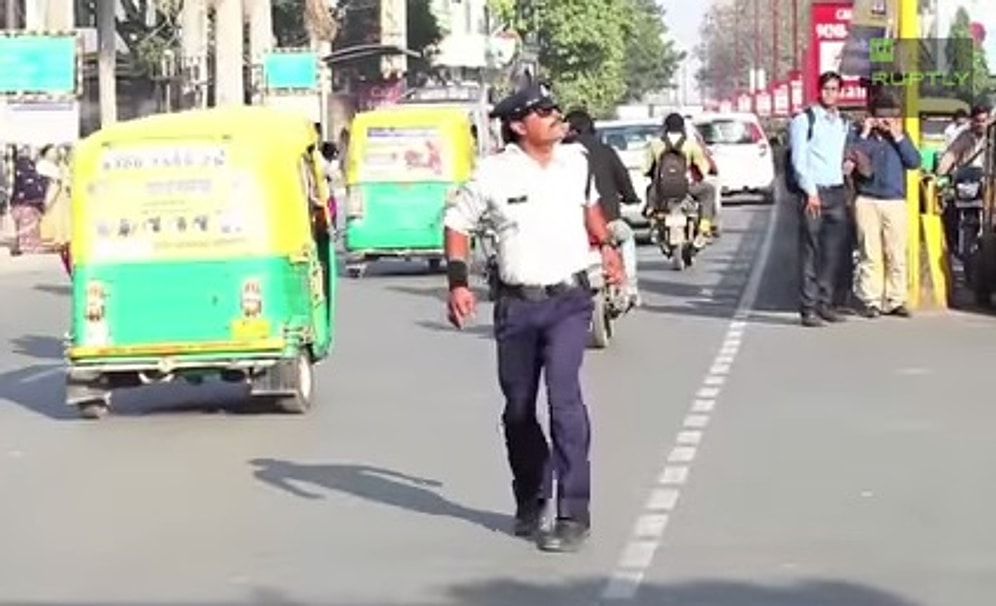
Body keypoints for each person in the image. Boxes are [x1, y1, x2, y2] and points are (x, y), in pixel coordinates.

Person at [442, 82, 623, 553]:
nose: (556, 116)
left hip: (569, 301)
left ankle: (573, 512)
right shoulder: (492, 173)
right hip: (517, 306)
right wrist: (458, 282)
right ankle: (532, 497)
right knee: (519, 410)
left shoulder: (576, 161)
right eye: (544, 112)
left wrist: (606, 247)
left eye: (555, 108)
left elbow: (591, 210)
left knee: (565, 401)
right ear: (520, 126)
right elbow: (457, 224)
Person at [788, 71, 851, 327]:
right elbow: (798, 160)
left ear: (840, 93)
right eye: (826, 89)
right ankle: (808, 308)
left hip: (836, 191)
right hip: (814, 193)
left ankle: (826, 304)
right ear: (819, 90)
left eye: (835, 89)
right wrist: (810, 191)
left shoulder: (843, 122)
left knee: (833, 253)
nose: (830, 93)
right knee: (810, 251)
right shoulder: (805, 120)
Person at [848, 96, 920, 318]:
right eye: (881, 116)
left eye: (890, 116)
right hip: (867, 199)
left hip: (894, 200)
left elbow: (914, 161)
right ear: (872, 116)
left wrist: (898, 136)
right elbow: (852, 157)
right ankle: (871, 300)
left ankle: (895, 299)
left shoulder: (901, 137)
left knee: (896, 252)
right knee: (870, 251)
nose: (885, 121)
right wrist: (864, 133)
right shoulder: (861, 136)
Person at [564, 108, 642, 306]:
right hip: (608, 221)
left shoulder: (560, 154)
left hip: (571, 223)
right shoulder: (605, 151)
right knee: (627, 238)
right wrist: (631, 197)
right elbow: (623, 179)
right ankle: (630, 286)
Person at [642, 113, 717, 249]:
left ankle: (653, 221)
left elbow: (645, 169)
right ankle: (704, 228)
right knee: (708, 191)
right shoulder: (691, 145)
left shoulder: (654, 145)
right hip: (686, 187)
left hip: (661, 189)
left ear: (665, 128)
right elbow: (703, 168)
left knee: (649, 195)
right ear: (682, 127)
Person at [8, 147, 50, 255]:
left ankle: (19, 245)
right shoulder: (25, 165)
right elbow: (30, 184)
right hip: (25, 201)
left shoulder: (20, 164)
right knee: (27, 225)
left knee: (22, 225)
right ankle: (27, 246)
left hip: (18, 200)